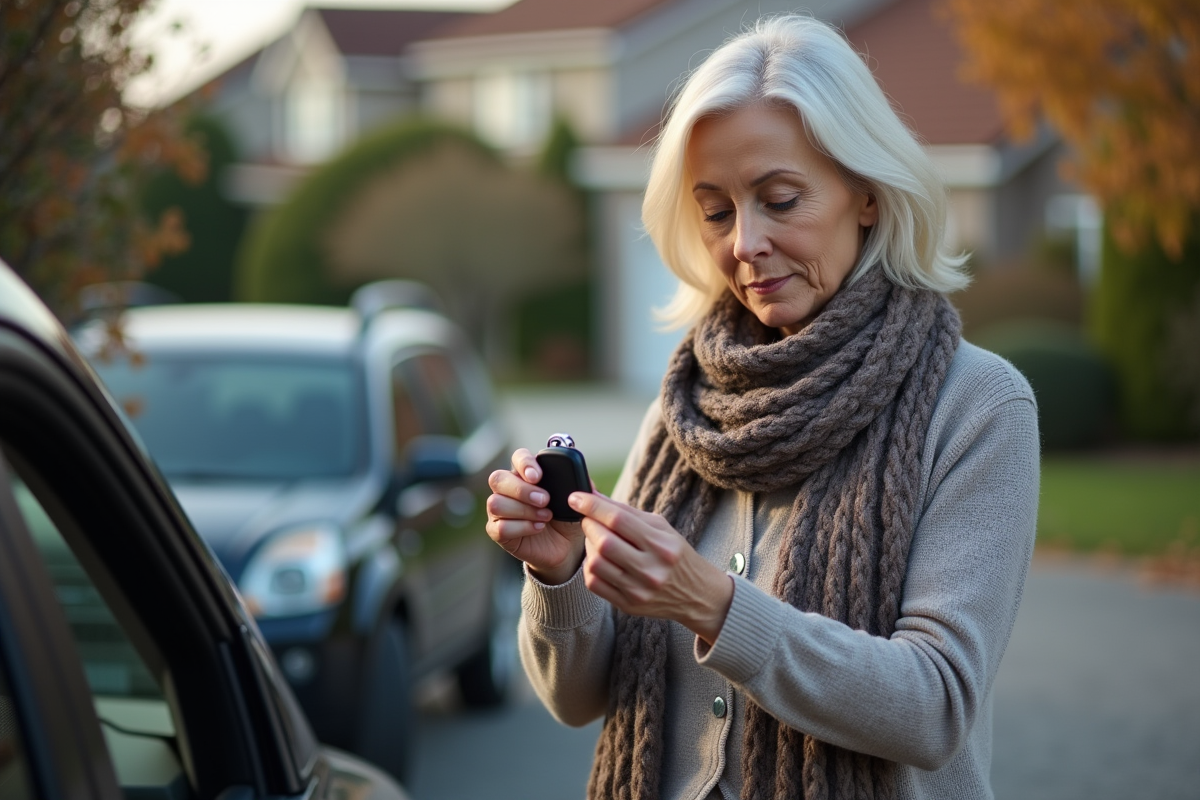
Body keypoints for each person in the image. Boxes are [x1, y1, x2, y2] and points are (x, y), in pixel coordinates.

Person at [485, 15, 1038, 800]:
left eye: (780, 199)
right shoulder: (683, 410)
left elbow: (935, 705)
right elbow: (577, 701)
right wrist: (560, 573)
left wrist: (715, 605)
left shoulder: (978, 406)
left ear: (868, 195)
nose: (745, 241)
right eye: (716, 211)